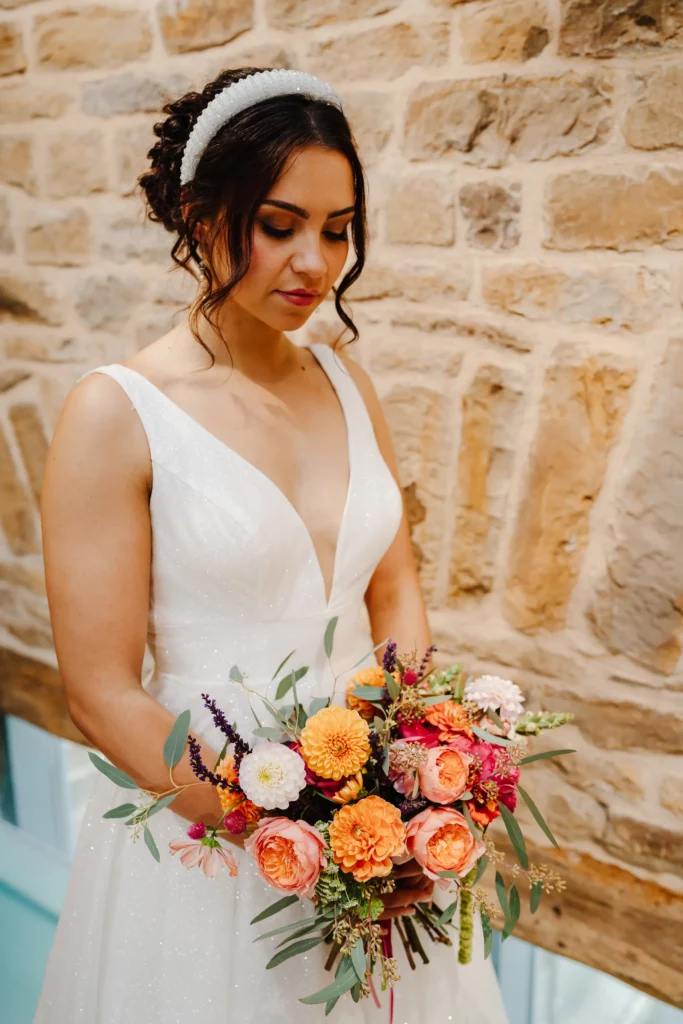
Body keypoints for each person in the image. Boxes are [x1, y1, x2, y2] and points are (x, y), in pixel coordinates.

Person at [35, 67, 508, 1023]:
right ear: (202, 214)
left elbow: (393, 585)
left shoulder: (346, 382)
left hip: (371, 822)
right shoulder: (115, 413)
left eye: (337, 230)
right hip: (203, 827)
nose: (315, 263)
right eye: (279, 224)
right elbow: (100, 690)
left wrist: (411, 780)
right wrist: (287, 830)